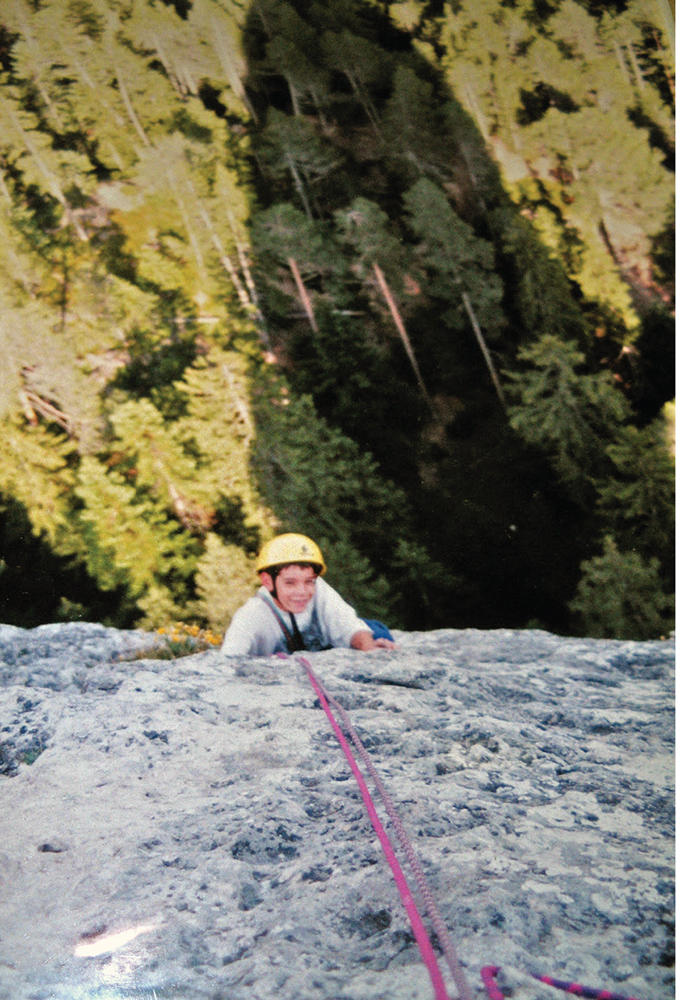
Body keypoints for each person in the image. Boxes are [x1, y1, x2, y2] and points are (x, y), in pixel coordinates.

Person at [220, 533, 396, 656]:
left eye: (309, 581)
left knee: (378, 632)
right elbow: (229, 659)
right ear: (267, 581)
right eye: (290, 582)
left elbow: (348, 624)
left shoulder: (319, 588)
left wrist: (369, 647)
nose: (302, 592)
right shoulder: (250, 617)